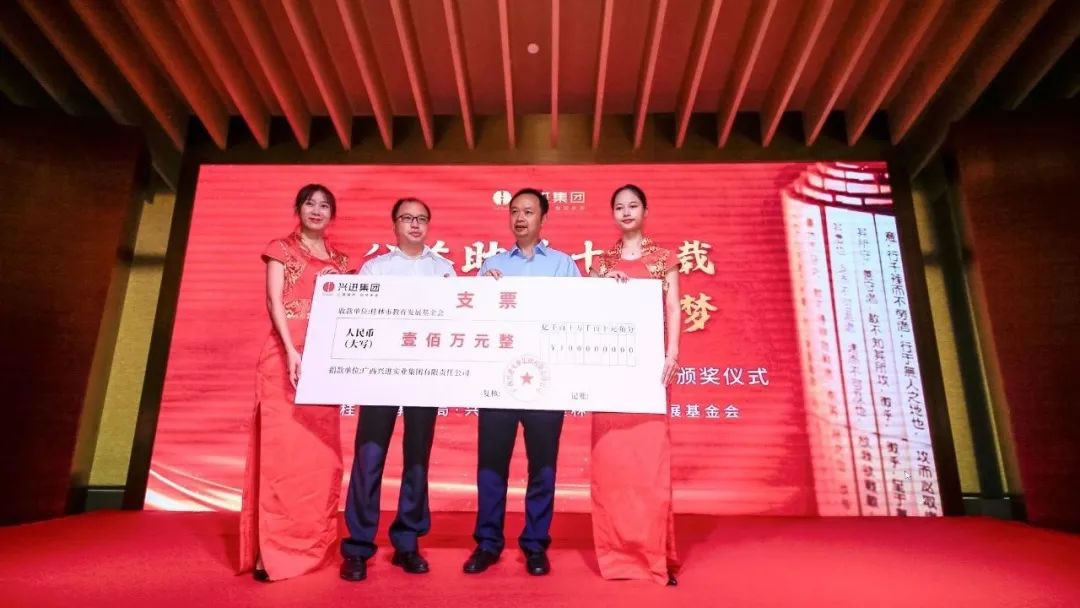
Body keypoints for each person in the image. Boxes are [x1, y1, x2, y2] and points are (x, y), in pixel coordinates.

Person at [463, 188, 581, 576]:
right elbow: (472, 318)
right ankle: (487, 543)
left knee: (542, 466)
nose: (520, 218)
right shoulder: (492, 265)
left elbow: (580, 315)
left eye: (528, 212)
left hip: (546, 381)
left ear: (543, 218)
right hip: (498, 379)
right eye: (514, 211)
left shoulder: (563, 265)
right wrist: (482, 291)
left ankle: (535, 543)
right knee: (491, 465)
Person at [239, 184, 351, 582]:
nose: (317, 210)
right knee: (281, 457)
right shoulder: (281, 249)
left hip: (323, 365)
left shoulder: (341, 262)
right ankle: (270, 553)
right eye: (309, 203)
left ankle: (312, 545)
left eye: (324, 205)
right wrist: (290, 350)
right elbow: (274, 301)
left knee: (319, 460)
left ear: (332, 214)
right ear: (298, 209)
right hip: (284, 359)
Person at [340, 198, 455, 581]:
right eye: (407, 218)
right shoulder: (376, 268)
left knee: (417, 459)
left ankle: (407, 542)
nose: (415, 225)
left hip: (425, 375)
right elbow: (359, 319)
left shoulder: (444, 271)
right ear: (394, 225)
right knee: (369, 458)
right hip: (381, 375)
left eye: (422, 219)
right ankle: (358, 546)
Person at [589, 184, 681, 586]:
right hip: (611, 376)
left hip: (648, 373)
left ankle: (654, 555)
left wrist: (672, 353)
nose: (626, 212)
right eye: (619, 207)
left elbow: (673, 306)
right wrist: (601, 285)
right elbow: (589, 313)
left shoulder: (663, 259)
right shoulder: (601, 262)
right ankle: (617, 555)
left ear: (645, 211)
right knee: (612, 468)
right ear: (612, 214)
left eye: (633, 206)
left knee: (649, 467)